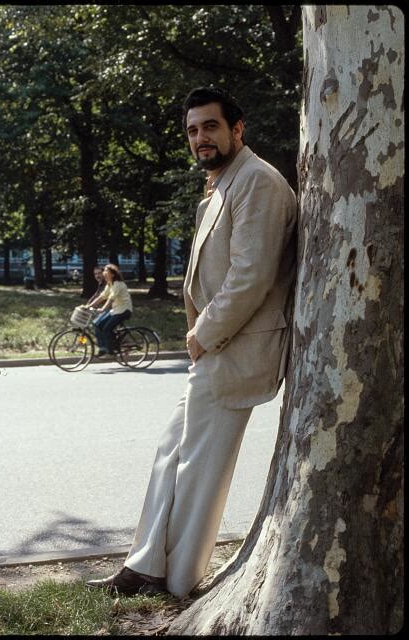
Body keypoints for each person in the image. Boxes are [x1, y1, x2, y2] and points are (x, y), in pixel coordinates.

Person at [86, 86, 297, 598]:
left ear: (237, 129)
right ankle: (146, 567)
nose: (200, 137)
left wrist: (202, 335)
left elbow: (251, 276)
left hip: (237, 348)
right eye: (192, 130)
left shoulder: (258, 182)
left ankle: (176, 582)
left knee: (201, 471)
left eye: (210, 126)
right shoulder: (225, 182)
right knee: (172, 453)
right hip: (218, 349)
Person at [87, 264, 133, 357]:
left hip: (124, 310)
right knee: (98, 324)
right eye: (104, 271)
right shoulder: (109, 284)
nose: (104, 273)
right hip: (116, 310)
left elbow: (111, 298)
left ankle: (110, 352)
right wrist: (88, 306)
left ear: (112, 274)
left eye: (106, 271)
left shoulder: (118, 284)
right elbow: (102, 296)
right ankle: (104, 348)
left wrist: (103, 309)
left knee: (106, 329)